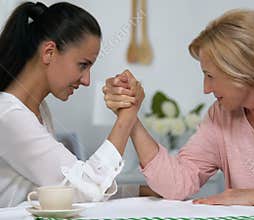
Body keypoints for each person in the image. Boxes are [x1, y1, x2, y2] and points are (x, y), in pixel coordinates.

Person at [103, 9, 254, 208]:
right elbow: (176, 184)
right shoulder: (220, 116)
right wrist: (131, 116)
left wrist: (245, 196)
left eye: (210, 75)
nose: (206, 88)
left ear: (243, 70)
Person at [0, 2, 145, 207]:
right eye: (83, 65)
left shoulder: (39, 110)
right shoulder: (9, 115)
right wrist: (127, 115)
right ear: (49, 52)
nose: (86, 80)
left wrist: (138, 192)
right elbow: (82, 189)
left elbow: (62, 191)